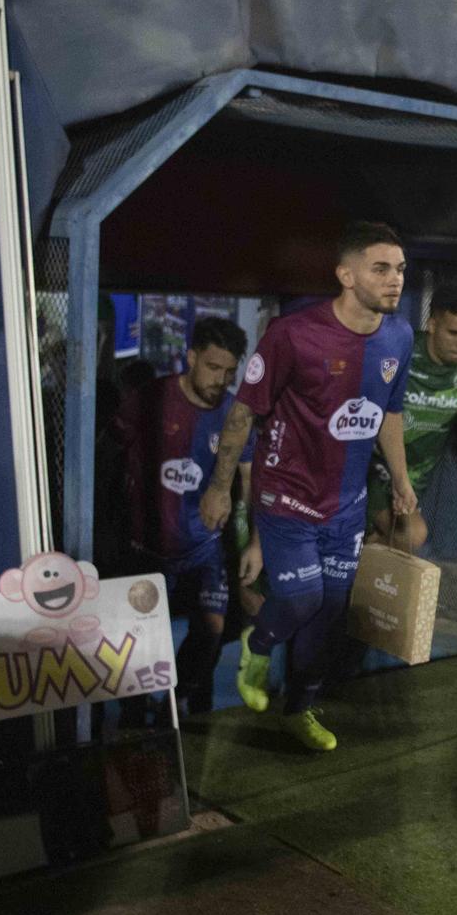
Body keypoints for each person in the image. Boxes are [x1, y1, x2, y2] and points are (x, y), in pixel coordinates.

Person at [197, 223, 414, 752]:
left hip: (348, 504)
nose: (395, 280)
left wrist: (403, 482)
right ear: (345, 274)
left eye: (400, 269)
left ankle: (298, 708)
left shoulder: (400, 336)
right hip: (286, 495)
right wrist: (221, 488)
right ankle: (260, 639)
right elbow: (243, 414)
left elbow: (389, 414)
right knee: (300, 596)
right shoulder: (292, 334)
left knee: (331, 613)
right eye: (380, 268)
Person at [115, 317, 254, 715]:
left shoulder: (235, 414)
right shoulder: (149, 399)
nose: (220, 380)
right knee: (138, 641)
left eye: (229, 371)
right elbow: (109, 453)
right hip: (145, 549)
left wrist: (253, 542)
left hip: (203, 548)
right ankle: (134, 718)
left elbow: (249, 479)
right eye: (212, 368)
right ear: (191, 358)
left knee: (210, 632)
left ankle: (172, 709)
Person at [370, 285, 457, 554]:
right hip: (373, 463)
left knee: (402, 542)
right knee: (413, 536)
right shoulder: (401, 352)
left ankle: (354, 559)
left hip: (417, 474)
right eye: (454, 333)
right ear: (432, 324)